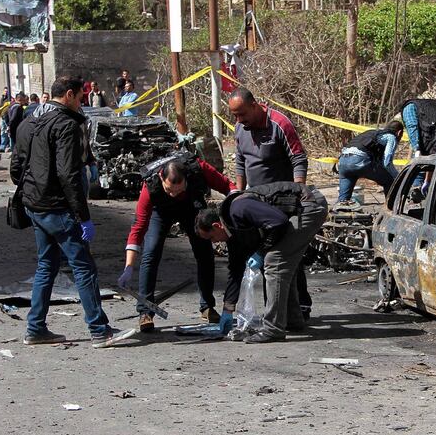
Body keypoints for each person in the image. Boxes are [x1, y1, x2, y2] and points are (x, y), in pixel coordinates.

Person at [14, 75, 129, 347]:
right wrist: (84, 216)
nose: (82, 103)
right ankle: (99, 330)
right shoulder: (65, 124)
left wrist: (34, 189)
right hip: (57, 208)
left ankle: (35, 328)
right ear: (68, 94)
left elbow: (15, 168)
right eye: (80, 97)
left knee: (46, 266)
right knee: (83, 267)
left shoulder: (29, 122)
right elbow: (68, 174)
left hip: (35, 205)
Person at [117, 153, 238, 333]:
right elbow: (138, 228)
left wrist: (239, 209)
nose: (174, 194)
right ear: (161, 178)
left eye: (179, 190)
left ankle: (207, 306)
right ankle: (145, 311)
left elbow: (228, 186)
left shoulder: (198, 168)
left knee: (204, 250)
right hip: (161, 212)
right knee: (151, 252)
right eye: (169, 190)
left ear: (187, 179)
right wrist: (128, 266)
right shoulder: (150, 185)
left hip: (192, 207)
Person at [196, 182, 328, 343]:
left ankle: (273, 329)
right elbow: (236, 269)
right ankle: (291, 319)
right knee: (281, 262)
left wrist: (260, 253)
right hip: (302, 207)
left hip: (308, 205)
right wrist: (228, 309)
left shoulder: (239, 209)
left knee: (275, 262)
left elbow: (279, 223)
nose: (214, 242)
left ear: (216, 226)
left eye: (211, 237)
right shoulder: (232, 230)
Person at [228, 87, 314, 320]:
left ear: (254, 105)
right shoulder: (240, 129)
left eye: (242, 114)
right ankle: (276, 310)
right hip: (256, 202)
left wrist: (298, 191)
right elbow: (240, 160)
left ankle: (301, 305)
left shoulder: (279, 124)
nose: (239, 120)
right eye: (235, 116)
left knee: (288, 254)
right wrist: (239, 191)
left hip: (282, 200)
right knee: (268, 255)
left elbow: (298, 158)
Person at [335, 120, 404, 209]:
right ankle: (391, 210)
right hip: (359, 161)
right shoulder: (391, 137)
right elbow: (387, 162)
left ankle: (338, 214)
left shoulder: (371, 133)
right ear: (399, 132)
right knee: (389, 181)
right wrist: (398, 177)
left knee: (343, 202)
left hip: (343, 162)